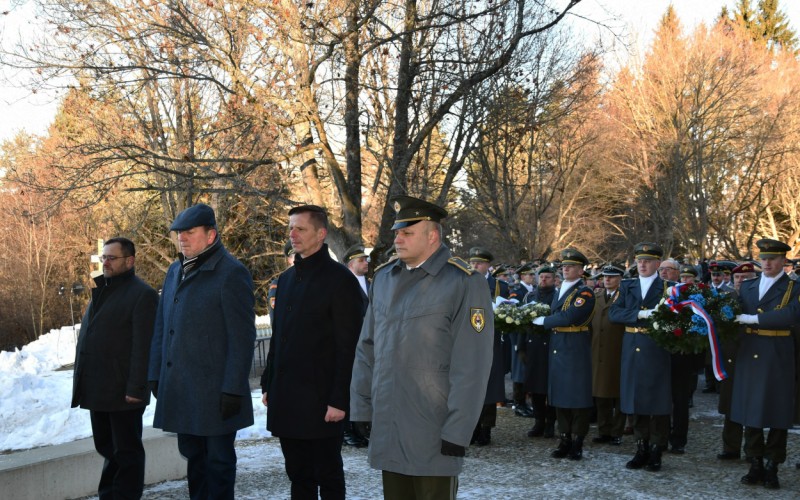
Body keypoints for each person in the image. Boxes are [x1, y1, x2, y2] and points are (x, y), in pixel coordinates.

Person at [350, 195, 493, 499]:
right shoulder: (386, 279)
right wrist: (362, 406)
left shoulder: (464, 282)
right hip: (389, 423)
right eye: (397, 233)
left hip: (433, 428)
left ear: (432, 236)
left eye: (407, 233)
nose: (397, 239)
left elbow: (473, 365)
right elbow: (367, 348)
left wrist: (458, 430)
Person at [148, 203, 256, 500]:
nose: (182, 238)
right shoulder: (174, 271)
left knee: (218, 463)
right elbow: (162, 325)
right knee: (193, 460)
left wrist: (233, 388)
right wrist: (155, 374)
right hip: (182, 389)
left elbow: (243, 337)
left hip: (216, 393)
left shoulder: (231, 273)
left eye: (189, 232)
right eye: (179, 232)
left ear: (211, 235)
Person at [262, 205, 365, 499]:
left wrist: (338, 399)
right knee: (298, 474)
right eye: (290, 228)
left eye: (300, 229)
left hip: (321, 401)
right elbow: (279, 337)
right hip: (288, 398)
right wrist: (269, 381)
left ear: (321, 234)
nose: (292, 234)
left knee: (328, 474)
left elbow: (348, 347)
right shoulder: (285, 279)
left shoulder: (340, 280)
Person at [72, 237, 158, 500]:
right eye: (103, 257)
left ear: (129, 261)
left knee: (127, 454)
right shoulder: (102, 291)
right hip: (99, 391)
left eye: (112, 258)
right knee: (108, 450)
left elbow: (143, 347)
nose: (105, 262)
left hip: (123, 393)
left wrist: (136, 388)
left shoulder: (142, 294)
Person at [730, 239, 800, 490]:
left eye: (773, 258)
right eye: (764, 258)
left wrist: (753, 318)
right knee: (751, 411)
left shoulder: (794, 286)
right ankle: (755, 462)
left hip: (777, 352)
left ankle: (772, 465)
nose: (767, 263)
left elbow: (792, 314)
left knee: (778, 412)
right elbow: (733, 310)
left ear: (784, 261)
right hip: (750, 351)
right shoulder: (748, 286)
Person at [609, 242, 672, 472]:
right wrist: (641, 314)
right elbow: (614, 314)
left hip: (656, 348)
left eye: (647, 260)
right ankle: (641, 447)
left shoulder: (668, 286)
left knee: (657, 401)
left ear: (657, 263)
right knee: (635, 401)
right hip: (632, 345)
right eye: (639, 260)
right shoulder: (627, 286)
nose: (643, 264)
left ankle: (656, 450)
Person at [532, 248, 596, 460]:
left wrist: (545, 321)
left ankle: (577, 440)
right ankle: (565, 437)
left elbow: (570, 316)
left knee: (577, 397)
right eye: (564, 266)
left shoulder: (584, 292)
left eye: (571, 266)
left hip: (574, 345)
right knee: (559, 395)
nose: (565, 269)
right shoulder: (560, 291)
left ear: (580, 271)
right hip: (559, 345)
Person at [468, 246, 509, 446]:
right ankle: (472, 427)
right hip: (468, 341)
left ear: (488, 265)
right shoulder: (464, 282)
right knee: (470, 385)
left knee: (490, 386)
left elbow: (509, 312)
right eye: (473, 262)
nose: (475, 265)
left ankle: (486, 428)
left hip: (491, 341)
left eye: (479, 262)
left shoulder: (500, 286)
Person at [716, 262, 755, 462]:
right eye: (737, 278)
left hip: (751, 355)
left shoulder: (757, 298)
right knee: (730, 403)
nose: (740, 281)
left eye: (745, 278)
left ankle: (751, 449)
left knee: (750, 404)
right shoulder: (725, 298)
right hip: (729, 355)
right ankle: (730, 447)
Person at [590, 264, 627, 446]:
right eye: (605, 276)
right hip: (598, 350)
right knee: (601, 393)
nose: (607, 279)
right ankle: (604, 430)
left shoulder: (626, 297)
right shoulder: (596, 297)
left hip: (618, 351)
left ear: (620, 279)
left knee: (619, 394)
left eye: (612, 277)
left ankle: (617, 431)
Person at [520, 265, 558, 438]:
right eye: (541, 277)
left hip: (551, 345)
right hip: (533, 346)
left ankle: (550, 423)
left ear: (555, 279)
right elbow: (521, 322)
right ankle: (539, 422)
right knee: (535, 387)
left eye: (547, 277)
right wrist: (521, 347)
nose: (543, 280)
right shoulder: (530, 296)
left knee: (551, 387)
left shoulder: (558, 296)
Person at [508, 263, 536, 417]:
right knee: (519, 371)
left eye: (533, 274)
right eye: (529, 275)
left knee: (527, 370)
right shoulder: (517, 291)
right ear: (522, 276)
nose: (532, 277)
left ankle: (524, 402)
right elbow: (513, 311)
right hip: (519, 334)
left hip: (530, 334)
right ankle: (518, 403)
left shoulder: (533, 290)